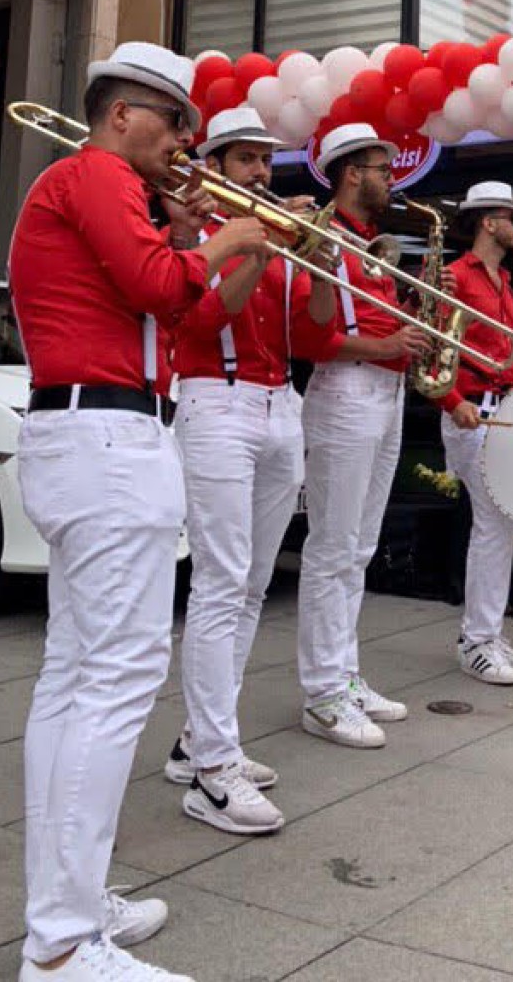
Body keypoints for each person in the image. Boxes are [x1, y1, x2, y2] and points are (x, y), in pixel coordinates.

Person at [9, 42, 270, 982]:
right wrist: (220, 240)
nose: (187, 147)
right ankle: (65, 940)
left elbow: (200, 319)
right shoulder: (95, 173)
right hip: (109, 444)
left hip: (104, 439)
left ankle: (68, 899)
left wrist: (232, 250)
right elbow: (165, 285)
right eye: (176, 127)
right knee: (114, 680)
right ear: (125, 114)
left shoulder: (114, 192)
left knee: (77, 678)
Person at [164, 106, 339, 835]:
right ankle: (211, 767)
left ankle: (201, 738)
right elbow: (202, 322)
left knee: (254, 584)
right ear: (213, 166)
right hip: (216, 404)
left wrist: (325, 262)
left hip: (278, 406)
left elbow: (320, 329)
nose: (262, 172)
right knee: (220, 580)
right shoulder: (201, 235)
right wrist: (262, 250)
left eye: (266, 160)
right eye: (245, 160)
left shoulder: (273, 234)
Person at [297, 124, 427, 748]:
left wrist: (422, 310)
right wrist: (387, 343)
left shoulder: (371, 244)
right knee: (332, 547)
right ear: (351, 174)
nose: (390, 178)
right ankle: (321, 692)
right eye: (381, 168)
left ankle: (344, 674)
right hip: (346, 391)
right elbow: (311, 337)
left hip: (386, 393)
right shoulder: (324, 238)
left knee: (359, 548)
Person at [437, 181, 513, 685]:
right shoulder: (454, 277)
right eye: (512, 217)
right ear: (487, 222)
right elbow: (434, 353)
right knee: (492, 526)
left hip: (501, 410)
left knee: (500, 528)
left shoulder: (505, 283)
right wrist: (454, 404)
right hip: (474, 412)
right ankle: (476, 640)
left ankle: (486, 631)